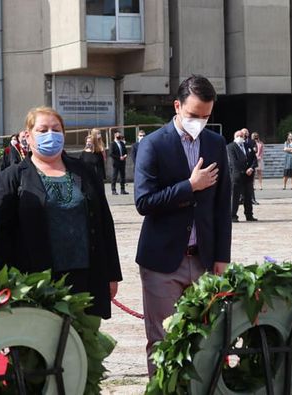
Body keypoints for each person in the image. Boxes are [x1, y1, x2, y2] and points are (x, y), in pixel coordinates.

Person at [134, 75, 231, 375]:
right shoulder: (153, 144)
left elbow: (221, 205)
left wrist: (221, 257)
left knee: (207, 339)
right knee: (163, 340)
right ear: (177, 106)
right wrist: (189, 186)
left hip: (203, 260)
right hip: (162, 261)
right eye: (193, 115)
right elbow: (144, 201)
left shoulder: (215, 144)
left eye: (206, 117)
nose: (199, 122)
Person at [0, 106, 122, 319]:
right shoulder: (12, 177)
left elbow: (104, 224)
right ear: (28, 135)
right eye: (42, 130)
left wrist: (111, 275)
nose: (50, 135)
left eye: (56, 129)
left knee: (81, 346)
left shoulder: (85, 170)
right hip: (34, 282)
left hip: (85, 276)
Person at [228, 130, 258, 222]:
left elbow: (254, 159)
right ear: (235, 137)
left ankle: (249, 215)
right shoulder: (231, 147)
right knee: (235, 197)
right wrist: (244, 170)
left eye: (243, 136)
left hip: (248, 176)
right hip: (237, 175)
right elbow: (233, 162)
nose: (242, 138)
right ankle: (233, 215)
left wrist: (251, 168)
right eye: (240, 136)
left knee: (248, 196)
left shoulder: (247, 146)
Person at [110, 130, 128, 195]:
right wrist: (119, 157)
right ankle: (113, 190)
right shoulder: (112, 144)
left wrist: (125, 155)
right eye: (118, 135)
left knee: (122, 176)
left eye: (119, 135)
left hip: (122, 162)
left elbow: (125, 151)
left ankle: (122, 190)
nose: (119, 136)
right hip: (116, 162)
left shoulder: (122, 143)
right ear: (115, 135)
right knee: (114, 176)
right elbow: (111, 154)